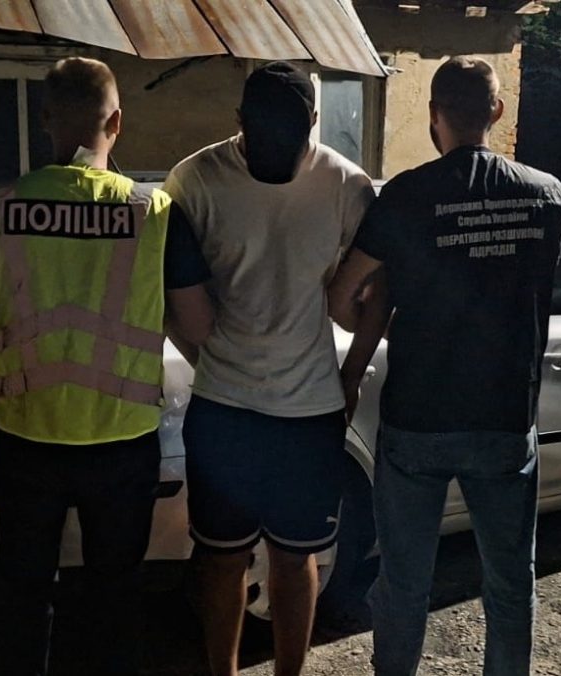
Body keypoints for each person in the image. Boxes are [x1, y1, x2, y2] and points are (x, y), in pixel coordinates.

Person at [0, 57, 213, 676]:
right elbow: (197, 327)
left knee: (23, 589)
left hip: (26, 435)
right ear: (116, 122)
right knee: (114, 596)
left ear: (46, 120)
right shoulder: (154, 211)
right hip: (121, 441)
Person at [328, 56, 561, 676]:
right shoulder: (547, 195)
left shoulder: (406, 196)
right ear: (497, 111)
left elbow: (344, 295)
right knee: (510, 584)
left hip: (418, 417)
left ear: (434, 114)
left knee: (404, 584)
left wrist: (380, 331)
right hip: (504, 417)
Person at [163, 61, 377, 676]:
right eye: (261, 137)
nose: (274, 152)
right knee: (221, 559)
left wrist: (352, 374)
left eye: (290, 136)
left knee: (295, 556)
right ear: (239, 122)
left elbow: (377, 288)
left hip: (309, 414)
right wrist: (208, 363)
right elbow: (169, 292)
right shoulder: (195, 180)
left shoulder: (347, 185)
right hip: (224, 410)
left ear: (314, 120)